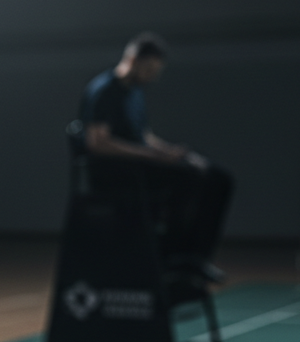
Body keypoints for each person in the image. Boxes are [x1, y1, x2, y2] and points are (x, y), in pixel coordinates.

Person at [77, 32, 234, 281]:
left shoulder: (135, 92)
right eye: (149, 69)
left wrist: (170, 152)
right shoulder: (104, 91)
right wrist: (152, 156)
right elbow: (98, 143)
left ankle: (196, 258)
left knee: (218, 177)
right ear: (134, 60)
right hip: (115, 171)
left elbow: (143, 135)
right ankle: (171, 258)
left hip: (141, 163)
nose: (153, 76)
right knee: (187, 179)